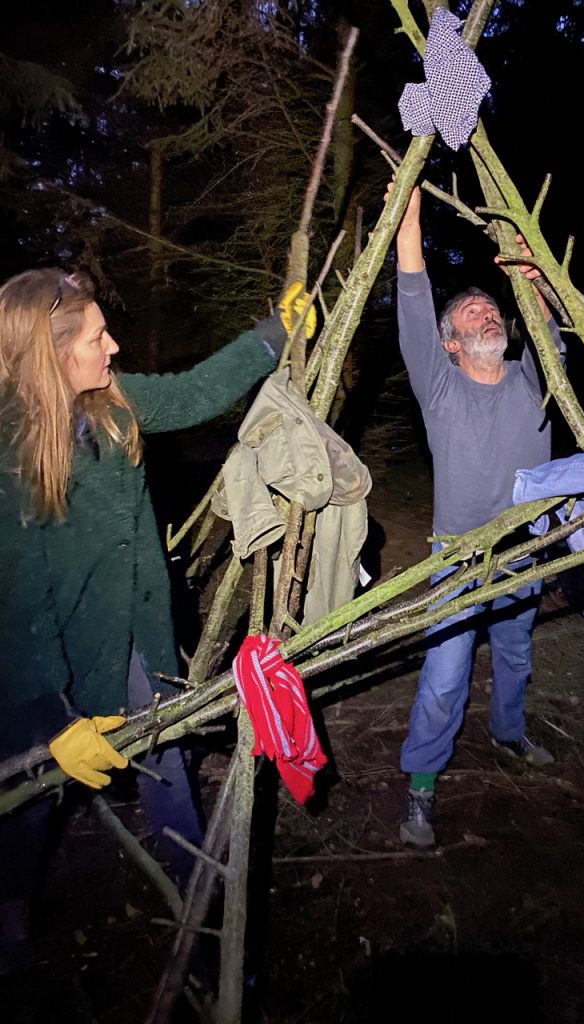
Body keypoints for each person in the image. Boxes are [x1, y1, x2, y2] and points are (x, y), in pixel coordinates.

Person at [0, 267, 312, 972]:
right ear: (50, 355)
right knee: (32, 799)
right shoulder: (8, 449)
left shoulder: (113, 401)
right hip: (47, 667)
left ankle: (198, 908)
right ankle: (9, 908)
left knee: (166, 761)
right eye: (95, 336)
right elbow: (17, 606)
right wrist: (52, 720)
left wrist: (275, 333)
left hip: (133, 640)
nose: (111, 346)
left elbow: (196, 391)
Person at [392, 184, 567, 848]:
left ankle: (509, 734)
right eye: (470, 311)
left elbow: (544, 318)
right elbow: (412, 294)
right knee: (445, 675)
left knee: (517, 656)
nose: (486, 313)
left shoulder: (533, 378)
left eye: (491, 308)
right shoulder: (438, 387)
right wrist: (409, 218)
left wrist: (527, 271)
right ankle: (422, 785)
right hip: (459, 557)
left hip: (524, 551)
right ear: (450, 344)